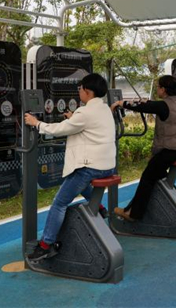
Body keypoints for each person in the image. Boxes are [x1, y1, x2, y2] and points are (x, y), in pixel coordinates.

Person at [23, 73, 116, 261]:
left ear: (88, 92)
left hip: (91, 167)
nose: (79, 92)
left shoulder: (85, 113)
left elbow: (61, 129)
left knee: (59, 203)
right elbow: (86, 125)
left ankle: (46, 245)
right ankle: (100, 207)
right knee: (79, 184)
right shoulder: (104, 109)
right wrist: (74, 118)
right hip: (107, 165)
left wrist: (37, 123)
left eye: (80, 89)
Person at [110, 75, 176, 222]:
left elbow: (145, 107)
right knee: (158, 168)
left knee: (148, 175)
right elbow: (151, 105)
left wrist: (120, 103)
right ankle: (174, 195)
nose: (157, 89)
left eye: (158, 87)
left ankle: (133, 213)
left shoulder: (164, 105)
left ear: (163, 90)